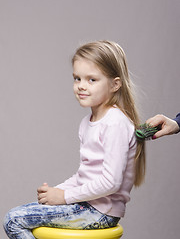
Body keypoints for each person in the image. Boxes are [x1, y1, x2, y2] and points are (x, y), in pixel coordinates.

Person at [3, 40, 146, 238]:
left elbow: (111, 182)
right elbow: (84, 175)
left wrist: (64, 196)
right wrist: (57, 191)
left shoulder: (115, 123)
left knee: (14, 219)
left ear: (115, 84)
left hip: (99, 213)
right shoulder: (87, 122)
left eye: (91, 80)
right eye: (77, 78)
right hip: (86, 206)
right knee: (29, 211)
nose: (81, 86)